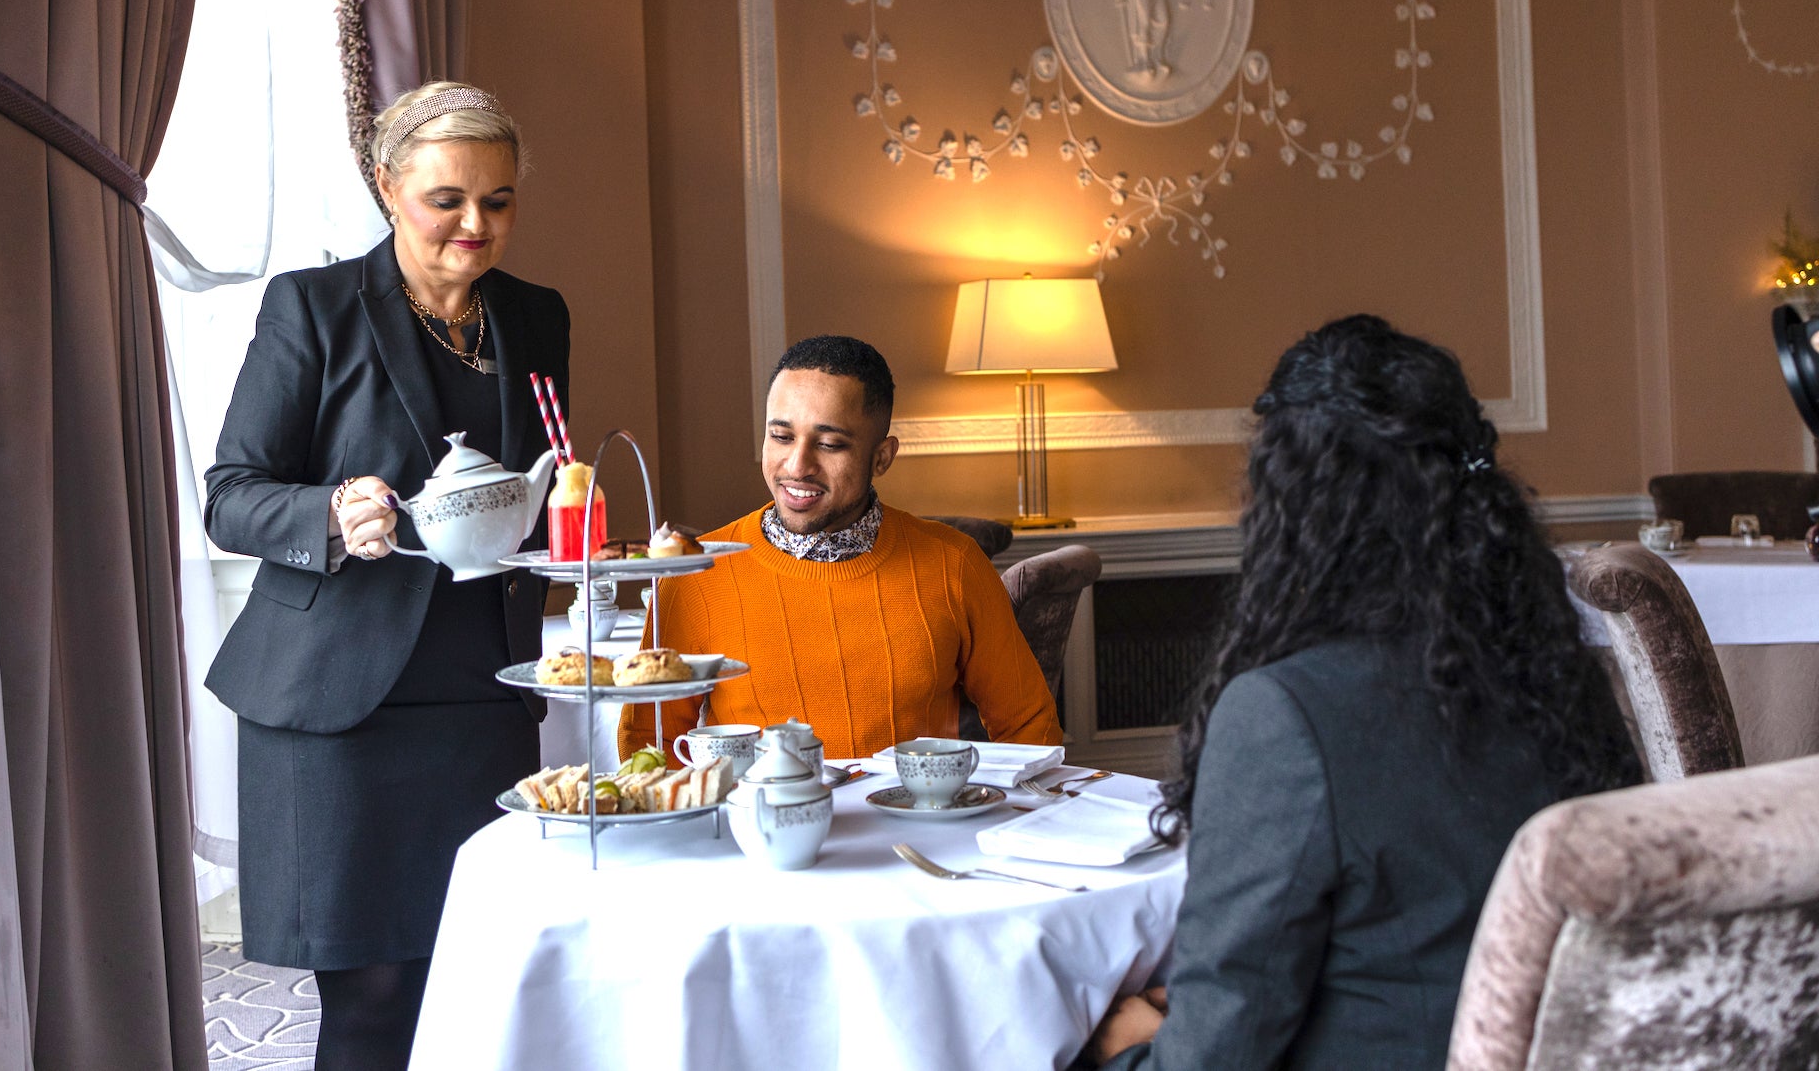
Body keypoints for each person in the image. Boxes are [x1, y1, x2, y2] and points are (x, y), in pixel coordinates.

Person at [1086, 315, 1641, 1070]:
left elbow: (1215, 1055)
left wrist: (1127, 1047)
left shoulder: (1283, 714)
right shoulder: (1555, 673)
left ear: (1293, 504)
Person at [203, 82, 568, 1069]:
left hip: (479, 700)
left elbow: (540, 478)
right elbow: (229, 495)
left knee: (474, 981)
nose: (473, 224)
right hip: (337, 709)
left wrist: (571, 531)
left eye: (496, 201)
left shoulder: (536, 318)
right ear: (387, 186)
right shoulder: (313, 308)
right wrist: (325, 509)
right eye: (446, 198)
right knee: (371, 999)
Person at [617, 335, 1062, 762]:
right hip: (749, 836)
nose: (797, 466)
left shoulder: (955, 564)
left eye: (830, 444)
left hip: (914, 835)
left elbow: (1029, 728)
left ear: (882, 457)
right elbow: (649, 743)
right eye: (781, 436)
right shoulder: (697, 571)